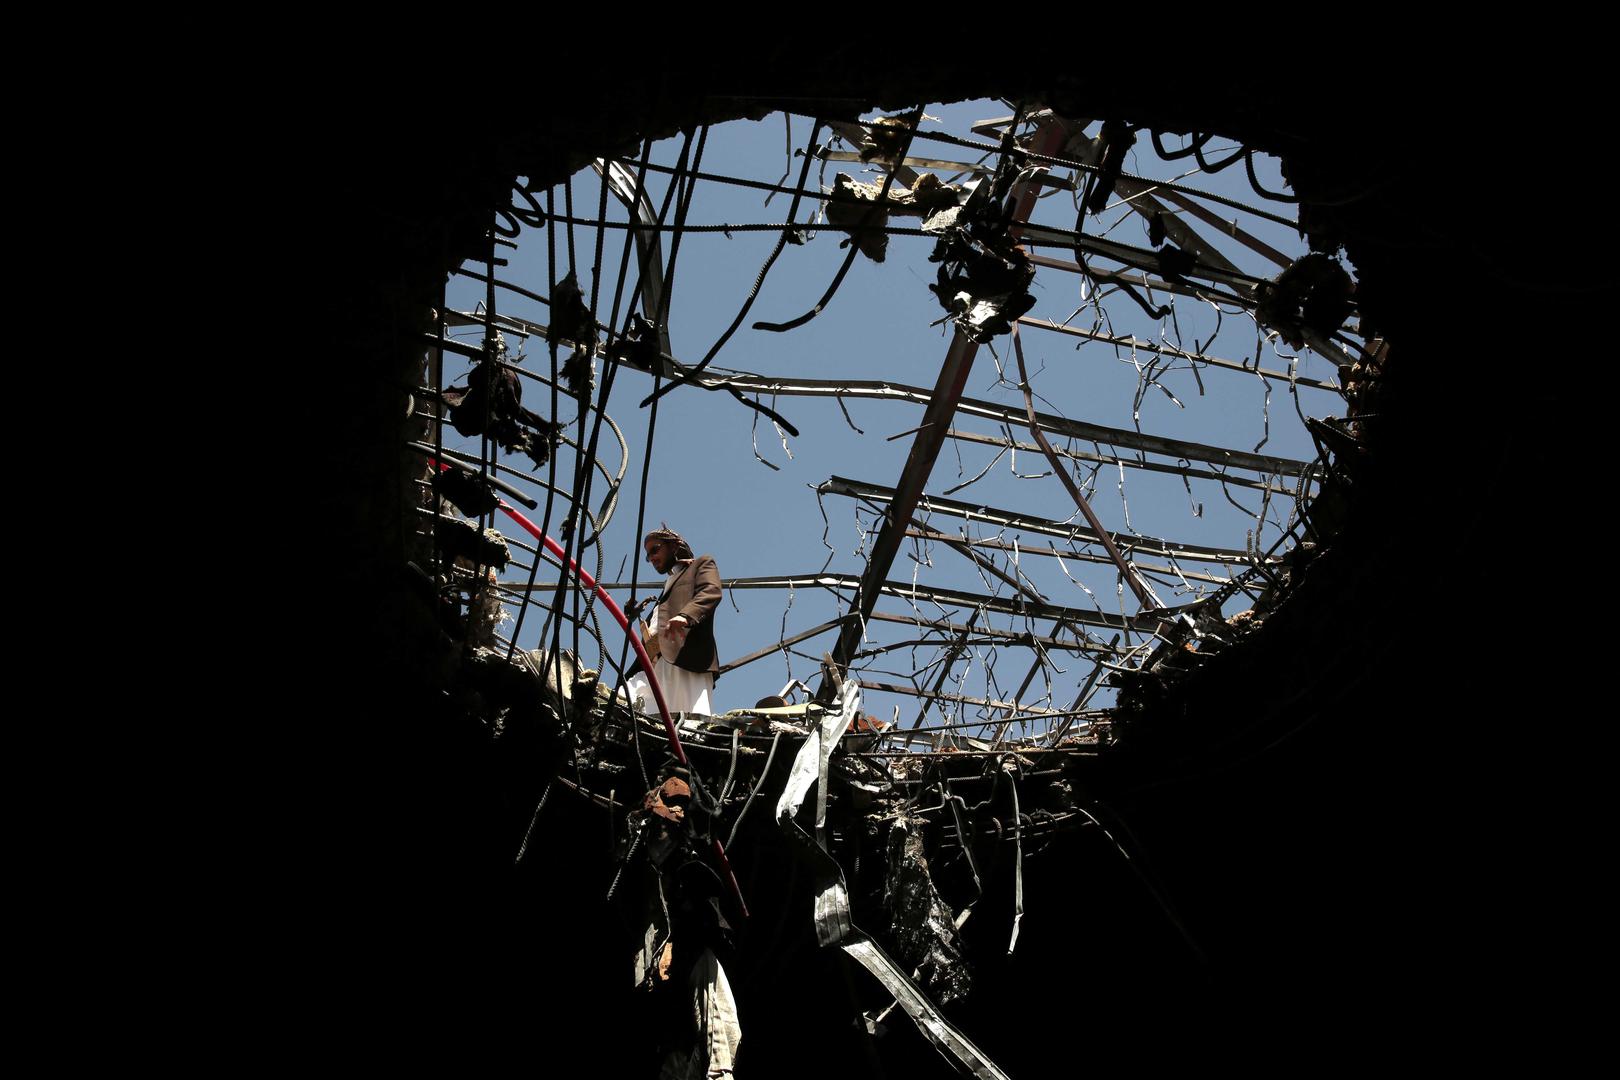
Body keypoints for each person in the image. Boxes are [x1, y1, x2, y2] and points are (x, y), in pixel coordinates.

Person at [622, 526, 721, 719]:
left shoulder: (701, 564)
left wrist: (685, 616)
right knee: (628, 705)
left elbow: (711, 591)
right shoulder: (668, 587)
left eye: (655, 550)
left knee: (688, 722)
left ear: (674, 546)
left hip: (685, 659)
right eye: (648, 556)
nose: (651, 558)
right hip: (654, 665)